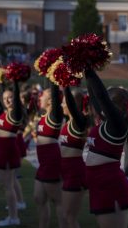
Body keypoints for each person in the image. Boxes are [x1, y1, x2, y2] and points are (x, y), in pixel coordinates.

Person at [85, 69, 128, 228]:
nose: (103, 105)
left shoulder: (117, 125)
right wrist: (85, 67)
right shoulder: (105, 121)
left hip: (110, 185)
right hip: (98, 185)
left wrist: (90, 69)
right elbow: (95, 97)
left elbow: (101, 96)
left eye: (108, 103)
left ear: (114, 105)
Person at [34, 84, 65, 228]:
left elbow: (54, 92)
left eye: (43, 95)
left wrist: (52, 73)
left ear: (50, 100)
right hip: (43, 164)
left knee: (58, 201)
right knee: (39, 198)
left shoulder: (55, 115)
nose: (40, 97)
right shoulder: (43, 116)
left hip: (52, 162)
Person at [0, 82, 23, 226]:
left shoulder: (15, 113)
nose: (7, 100)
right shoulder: (4, 113)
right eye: (5, 98)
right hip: (2, 151)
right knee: (9, 185)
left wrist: (15, 82)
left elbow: (17, 100)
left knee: (8, 186)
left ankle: (13, 217)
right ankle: (16, 207)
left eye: (10, 97)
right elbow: (0, 98)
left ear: (15, 98)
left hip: (7, 152)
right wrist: (0, 81)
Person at [59, 86, 88, 228]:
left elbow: (70, 103)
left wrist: (65, 85)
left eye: (64, 102)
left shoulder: (78, 123)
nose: (62, 105)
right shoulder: (67, 122)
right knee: (66, 217)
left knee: (69, 217)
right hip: (67, 172)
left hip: (75, 173)